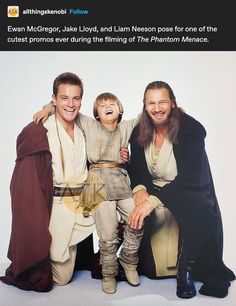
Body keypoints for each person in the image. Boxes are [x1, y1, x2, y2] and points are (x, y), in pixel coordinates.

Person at [127, 81, 235, 298]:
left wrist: (153, 202)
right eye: (151, 103)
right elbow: (137, 167)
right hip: (153, 191)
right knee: (123, 203)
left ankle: (184, 269)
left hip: (187, 190)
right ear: (145, 107)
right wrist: (139, 190)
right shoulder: (140, 130)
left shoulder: (191, 129)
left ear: (173, 103)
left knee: (196, 206)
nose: (157, 108)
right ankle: (127, 260)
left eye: (162, 102)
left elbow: (192, 178)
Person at [33, 92, 143, 294]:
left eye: (112, 104)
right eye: (102, 105)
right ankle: (109, 273)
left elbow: (146, 116)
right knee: (107, 231)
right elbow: (66, 108)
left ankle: (129, 260)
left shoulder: (126, 127)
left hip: (119, 180)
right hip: (96, 182)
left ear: (119, 110)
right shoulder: (89, 124)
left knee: (137, 218)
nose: (108, 106)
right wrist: (49, 107)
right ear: (97, 114)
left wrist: (175, 111)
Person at [0, 72, 96, 292]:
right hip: (60, 207)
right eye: (64, 98)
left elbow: (109, 129)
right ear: (53, 99)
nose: (70, 104)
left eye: (75, 98)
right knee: (61, 279)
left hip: (85, 202)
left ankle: (105, 260)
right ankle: (66, 253)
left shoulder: (84, 126)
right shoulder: (41, 130)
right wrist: (48, 110)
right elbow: (26, 186)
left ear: (81, 100)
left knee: (122, 213)